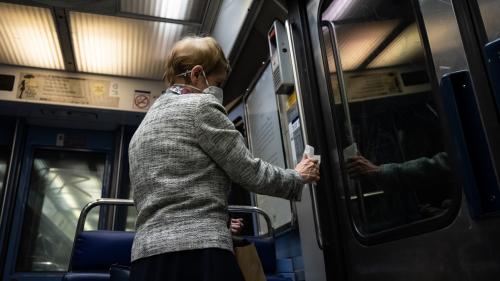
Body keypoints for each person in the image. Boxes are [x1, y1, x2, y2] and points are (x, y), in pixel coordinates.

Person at [128, 36, 320, 281]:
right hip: (198, 257)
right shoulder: (200, 107)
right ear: (197, 74)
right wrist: (297, 176)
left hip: (146, 258)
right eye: (217, 82)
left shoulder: (145, 124)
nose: (218, 89)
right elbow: (248, 171)